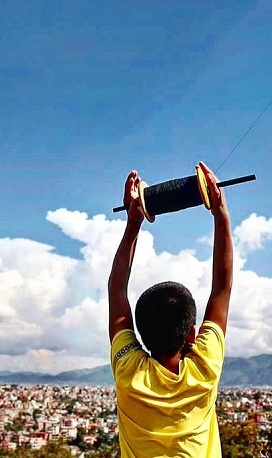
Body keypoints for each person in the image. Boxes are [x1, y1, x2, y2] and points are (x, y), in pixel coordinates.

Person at [108, 161, 233, 458]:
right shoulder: (204, 369)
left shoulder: (129, 373)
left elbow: (116, 290)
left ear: (138, 333)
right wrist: (221, 216)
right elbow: (221, 288)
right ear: (191, 335)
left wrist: (133, 224)